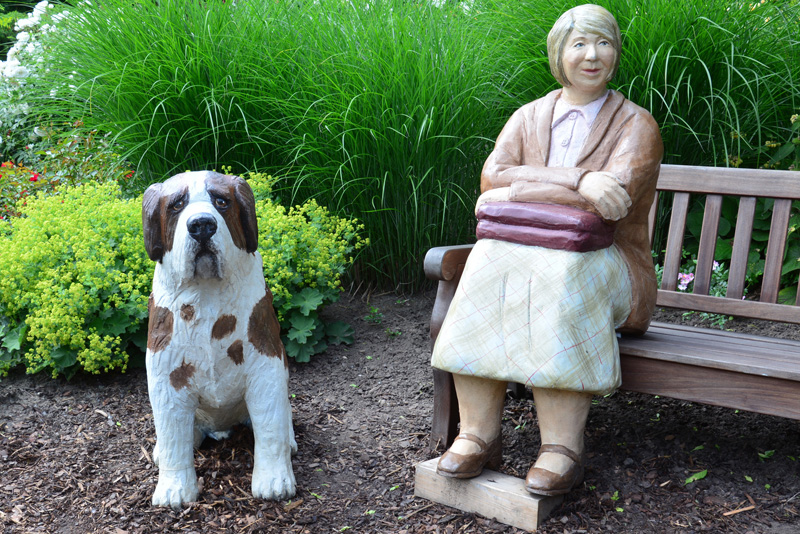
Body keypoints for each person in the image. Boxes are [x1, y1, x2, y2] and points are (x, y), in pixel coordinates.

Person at [430, 4, 663, 497]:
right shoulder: (529, 116)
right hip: (521, 255)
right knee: (485, 263)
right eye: (579, 44)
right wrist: (578, 179)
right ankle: (476, 435)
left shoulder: (636, 125)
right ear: (559, 54)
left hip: (611, 266)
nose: (592, 55)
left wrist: (520, 186)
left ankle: (561, 448)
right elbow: (491, 179)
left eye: (603, 43)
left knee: (563, 273)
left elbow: (612, 202)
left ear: (616, 52)